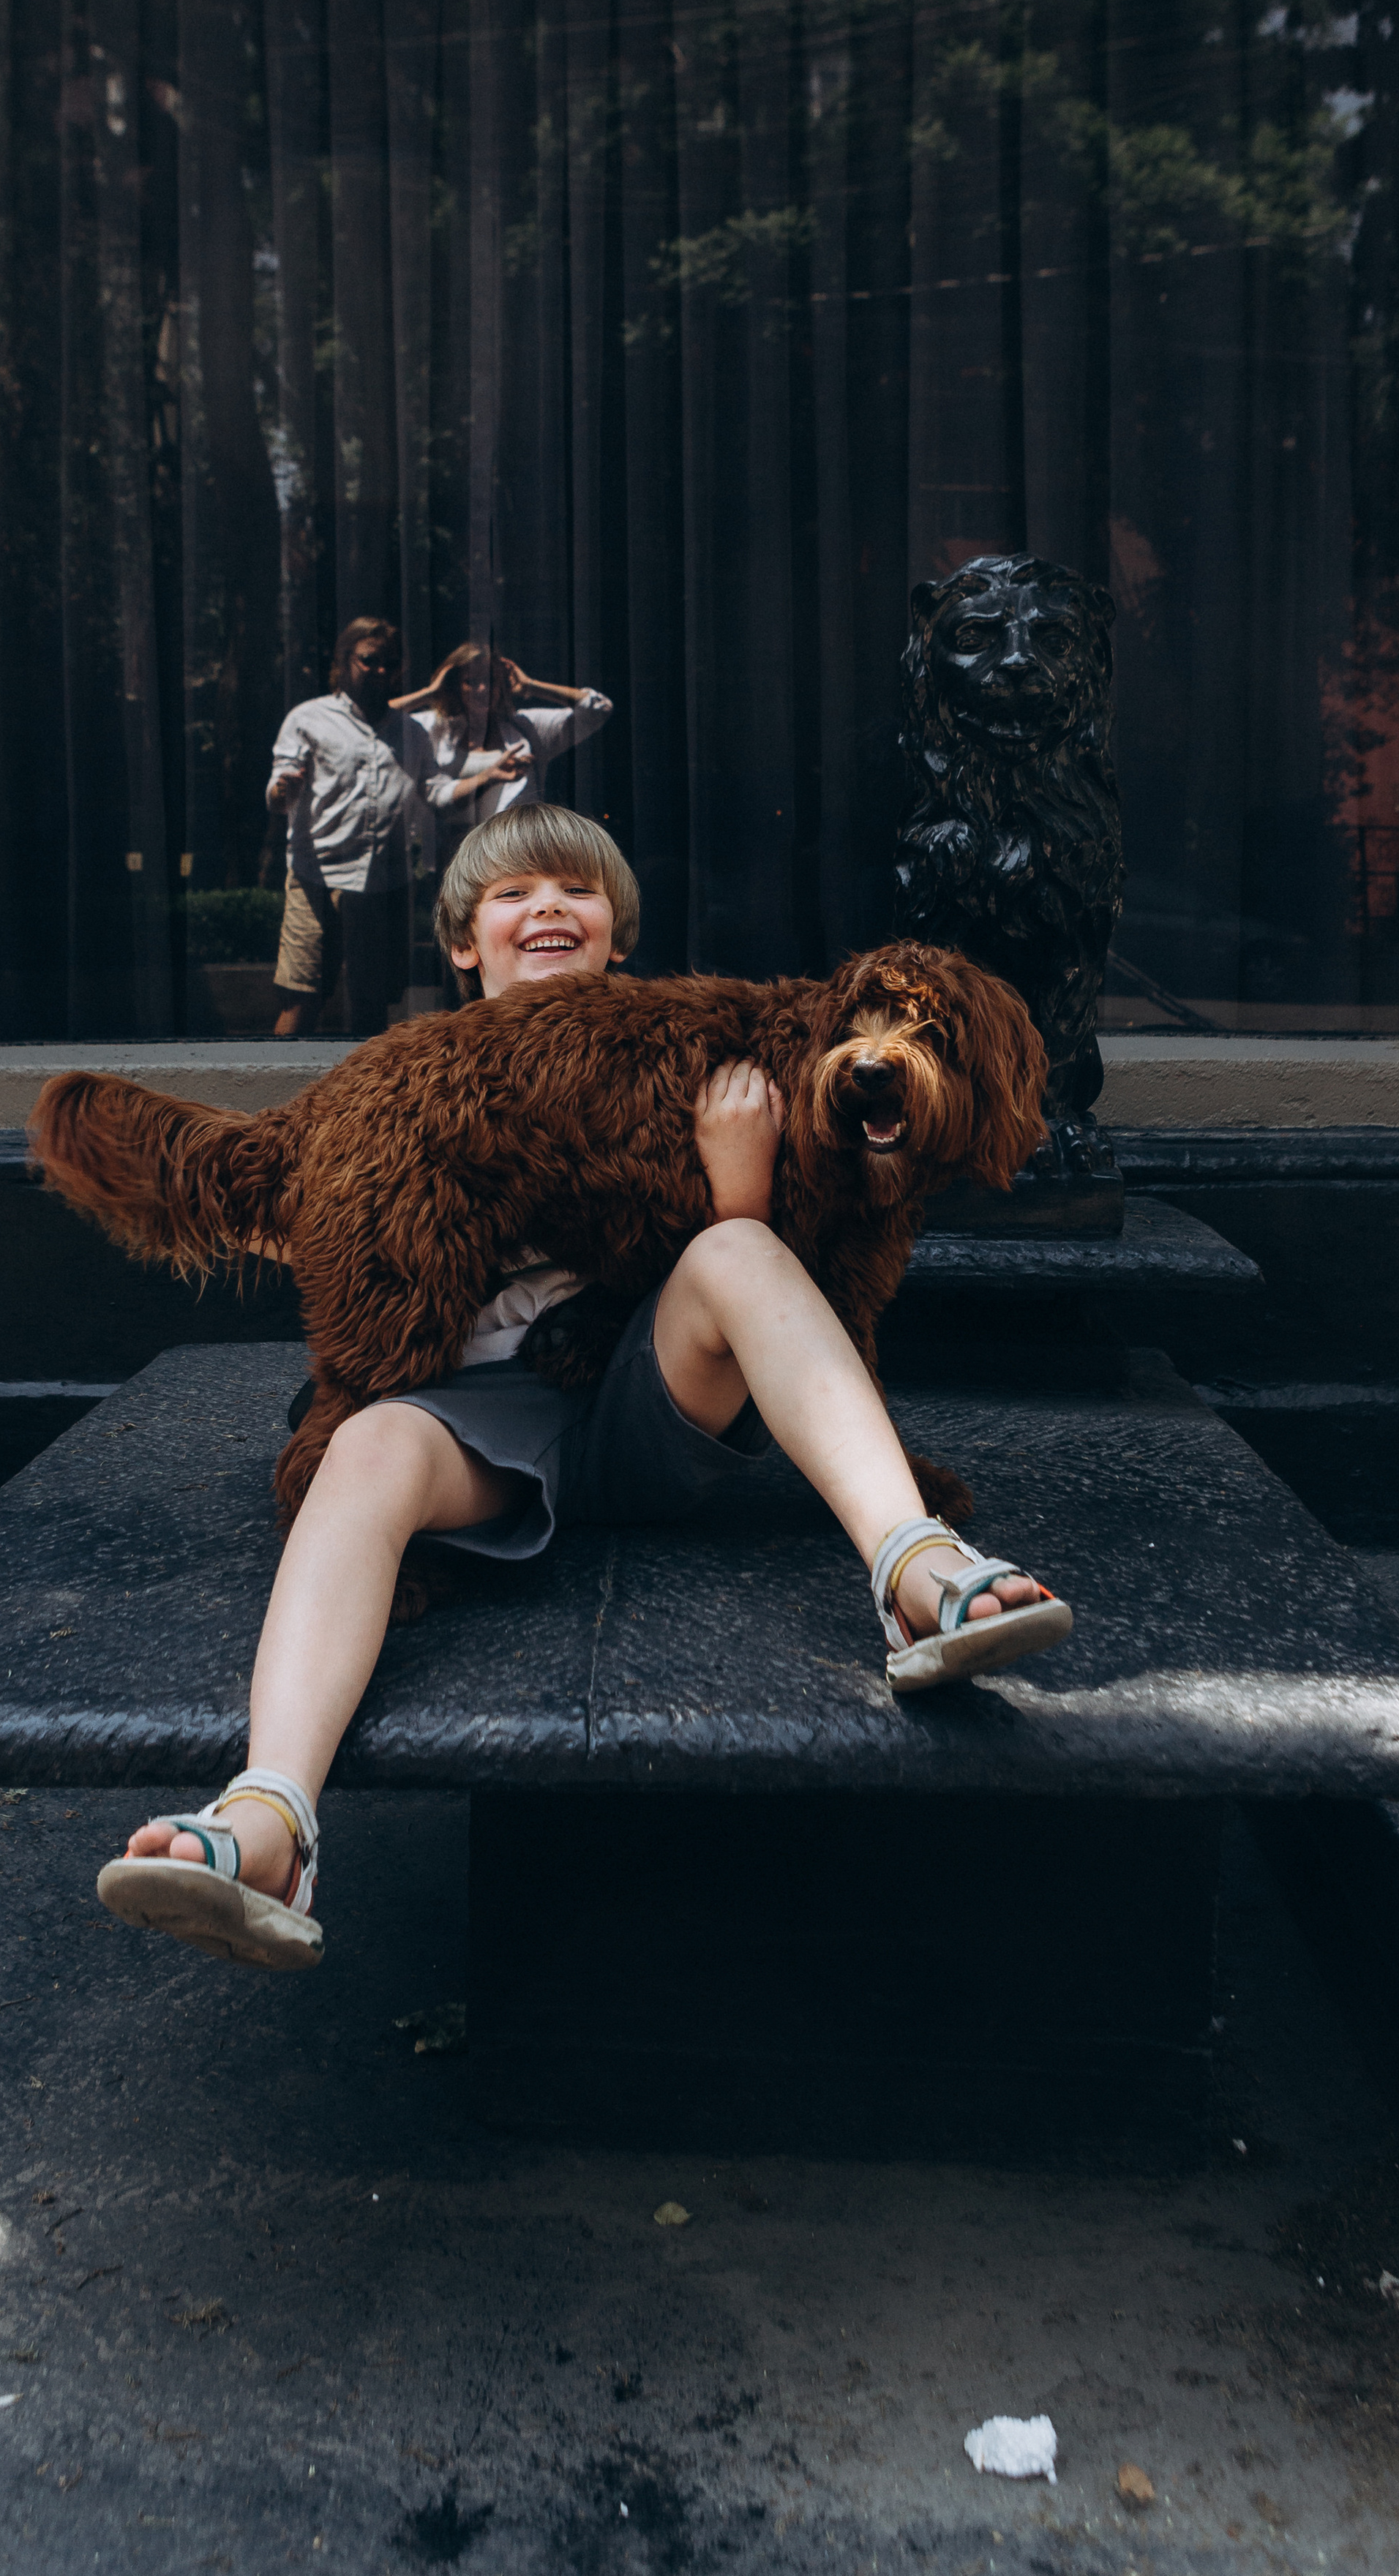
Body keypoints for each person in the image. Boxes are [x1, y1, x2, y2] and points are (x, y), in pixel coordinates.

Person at [98, 806, 1070, 1970]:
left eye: (578, 892)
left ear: (619, 937)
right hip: (473, 1429)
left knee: (739, 1255)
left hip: (643, 1398)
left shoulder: (704, 1065)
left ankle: (916, 1569)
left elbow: (797, 1300)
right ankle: (271, 1821)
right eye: (512, 895)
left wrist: (740, 1192)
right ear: (463, 943)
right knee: (362, 1449)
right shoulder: (405, 1081)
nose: (548, 907)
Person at [266, 617, 433, 1039]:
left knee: (371, 1004)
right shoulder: (310, 718)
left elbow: (438, 791)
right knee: (302, 995)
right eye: (369, 660)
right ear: (343, 660)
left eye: (389, 662)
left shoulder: (411, 732)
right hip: (316, 878)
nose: (379, 670)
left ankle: (367, 1100)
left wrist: (492, 776)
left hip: (382, 883)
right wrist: (284, 787)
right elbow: (278, 792)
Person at [409, 644, 612, 845]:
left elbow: (598, 710)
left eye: (491, 681)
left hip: (509, 853)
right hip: (450, 852)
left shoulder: (525, 727)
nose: (483, 689)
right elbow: (384, 726)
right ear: (455, 686)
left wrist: (531, 686)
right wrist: (431, 693)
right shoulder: (433, 728)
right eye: (472, 681)